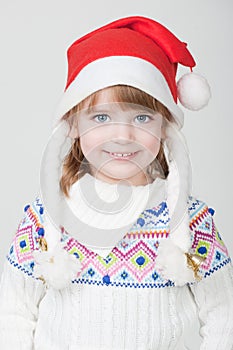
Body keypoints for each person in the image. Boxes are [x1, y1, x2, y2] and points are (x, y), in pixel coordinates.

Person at [0, 15, 232, 350]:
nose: (123, 136)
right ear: (73, 125)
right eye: (101, 117)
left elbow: (224, 315)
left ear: (165, 127)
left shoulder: (190, 222)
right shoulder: (46, 217)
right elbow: (13, 313)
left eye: (142, 117)